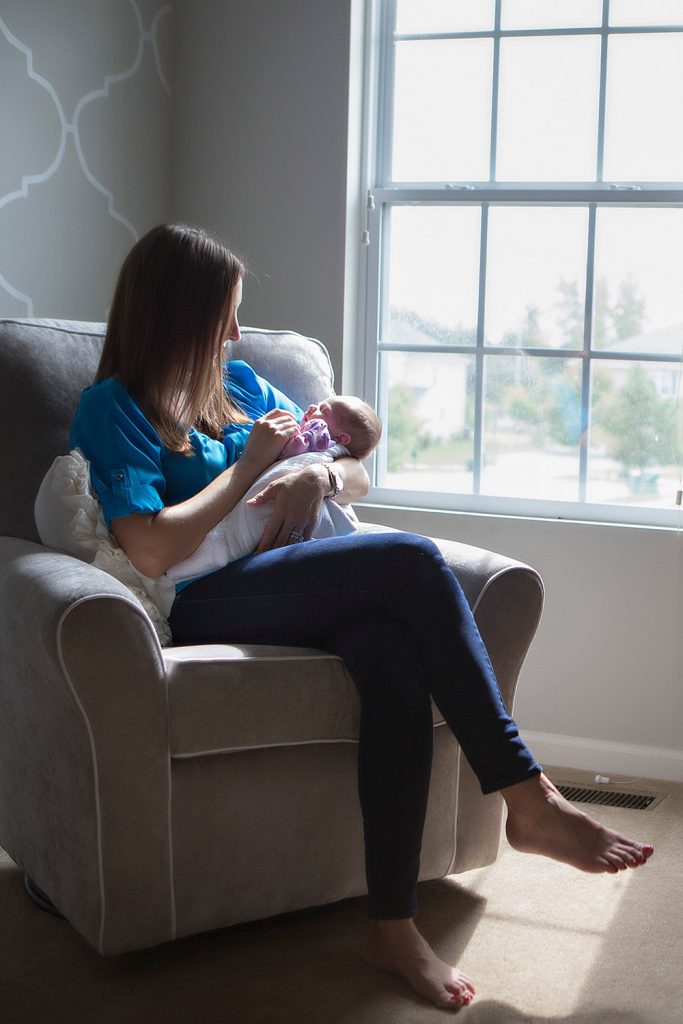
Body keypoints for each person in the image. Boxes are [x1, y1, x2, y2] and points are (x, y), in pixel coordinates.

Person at [68, 224, 654, 1012]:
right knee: (408, 559)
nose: (236, 333)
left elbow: (351, 467)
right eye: (223, 315)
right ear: (177, 312)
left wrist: (319, 478)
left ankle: (392, 926)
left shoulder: (238, 385)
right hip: (209, 594)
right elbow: (147, 547)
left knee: (391, 659)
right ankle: (526, 795)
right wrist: (248, 470)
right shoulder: (113, 408)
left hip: (293, 573)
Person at [165, 395, 381, 584]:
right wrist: (251, 462)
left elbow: (361, 478)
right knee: (393, 562)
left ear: (342, 438)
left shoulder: (246, 384)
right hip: (215, 576)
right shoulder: (148, 415)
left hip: (281, 547)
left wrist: (319, 477)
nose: (311, 407)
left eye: (323, 409)